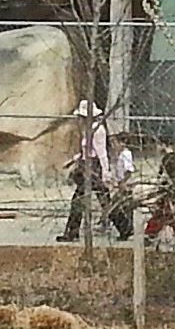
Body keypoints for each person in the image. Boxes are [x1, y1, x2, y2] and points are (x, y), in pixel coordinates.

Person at [57, 100, 112, 243]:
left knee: (80, 200)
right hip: (87, 166)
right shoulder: (89, 130)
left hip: (93, 168)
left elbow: (101, 153)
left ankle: (72, 232)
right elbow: (86, 151)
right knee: (103, 199)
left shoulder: (97, 130)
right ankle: (125, 227)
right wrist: (73, 160)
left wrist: (105, 172)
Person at [109, 138, 136, 241]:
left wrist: (123, 183)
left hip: (125, 186)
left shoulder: (126, 154)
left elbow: (129, 170)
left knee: (115, 209)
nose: (113, 146)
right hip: (121, 185)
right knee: (124, 209)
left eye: (115, 143)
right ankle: (126, 230)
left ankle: (126, 230)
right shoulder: (121, 155)